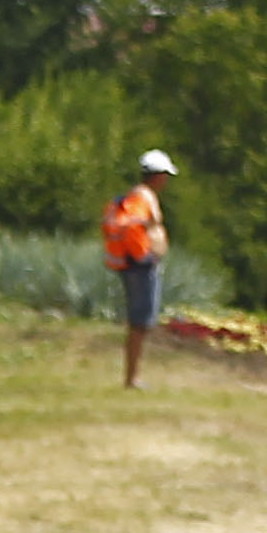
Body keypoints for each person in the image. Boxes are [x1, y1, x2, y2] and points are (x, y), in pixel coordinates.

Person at [106, 150, 174, 387]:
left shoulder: (138, 196)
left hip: (136, 264)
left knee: (140, 322)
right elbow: (136, 226)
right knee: (140, 322)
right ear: (157, 175)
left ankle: (132, 376)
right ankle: (132, 378)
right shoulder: (143, 198)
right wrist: (145, 255)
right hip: (140, 265)